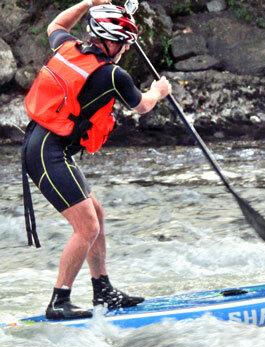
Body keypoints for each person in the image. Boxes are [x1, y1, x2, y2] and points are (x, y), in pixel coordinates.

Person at [21, 0, 172, 320]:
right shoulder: (113, 74)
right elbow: (142, 106)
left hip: (47, 147)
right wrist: (159, 91)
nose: (125, 49)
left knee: (96, 214)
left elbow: (56, 27)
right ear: (109, 40)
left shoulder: (69, 47)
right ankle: (59, 302)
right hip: (47, 153)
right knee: (86, 226)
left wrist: (88, 2)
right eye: (123, 43)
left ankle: (103, 290)